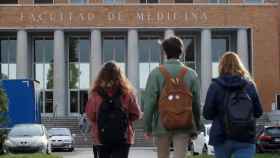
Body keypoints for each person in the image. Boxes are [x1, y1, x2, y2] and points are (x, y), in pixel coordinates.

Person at [143, 36, 202, 158]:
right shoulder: (191, 74)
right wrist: (197, 125)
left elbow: (149, 103)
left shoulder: (155, 73)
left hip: (162, 124)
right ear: (181, 51)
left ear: (164, 52)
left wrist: (147, 127)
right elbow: (196, 103)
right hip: (184, 124)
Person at [203, 52, 263, 158]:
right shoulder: (249, 85)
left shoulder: (215, 86)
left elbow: (207, 114)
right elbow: (258, 112)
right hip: (246, 136)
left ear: (221, 66)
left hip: (221, 136)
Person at [86, 61, 141, 158]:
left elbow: (90, 116)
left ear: (101, 75)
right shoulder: (127, 93)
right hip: (123, 136)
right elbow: (136, 114)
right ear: (120, 76)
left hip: (100, 137)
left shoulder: (95, 94)